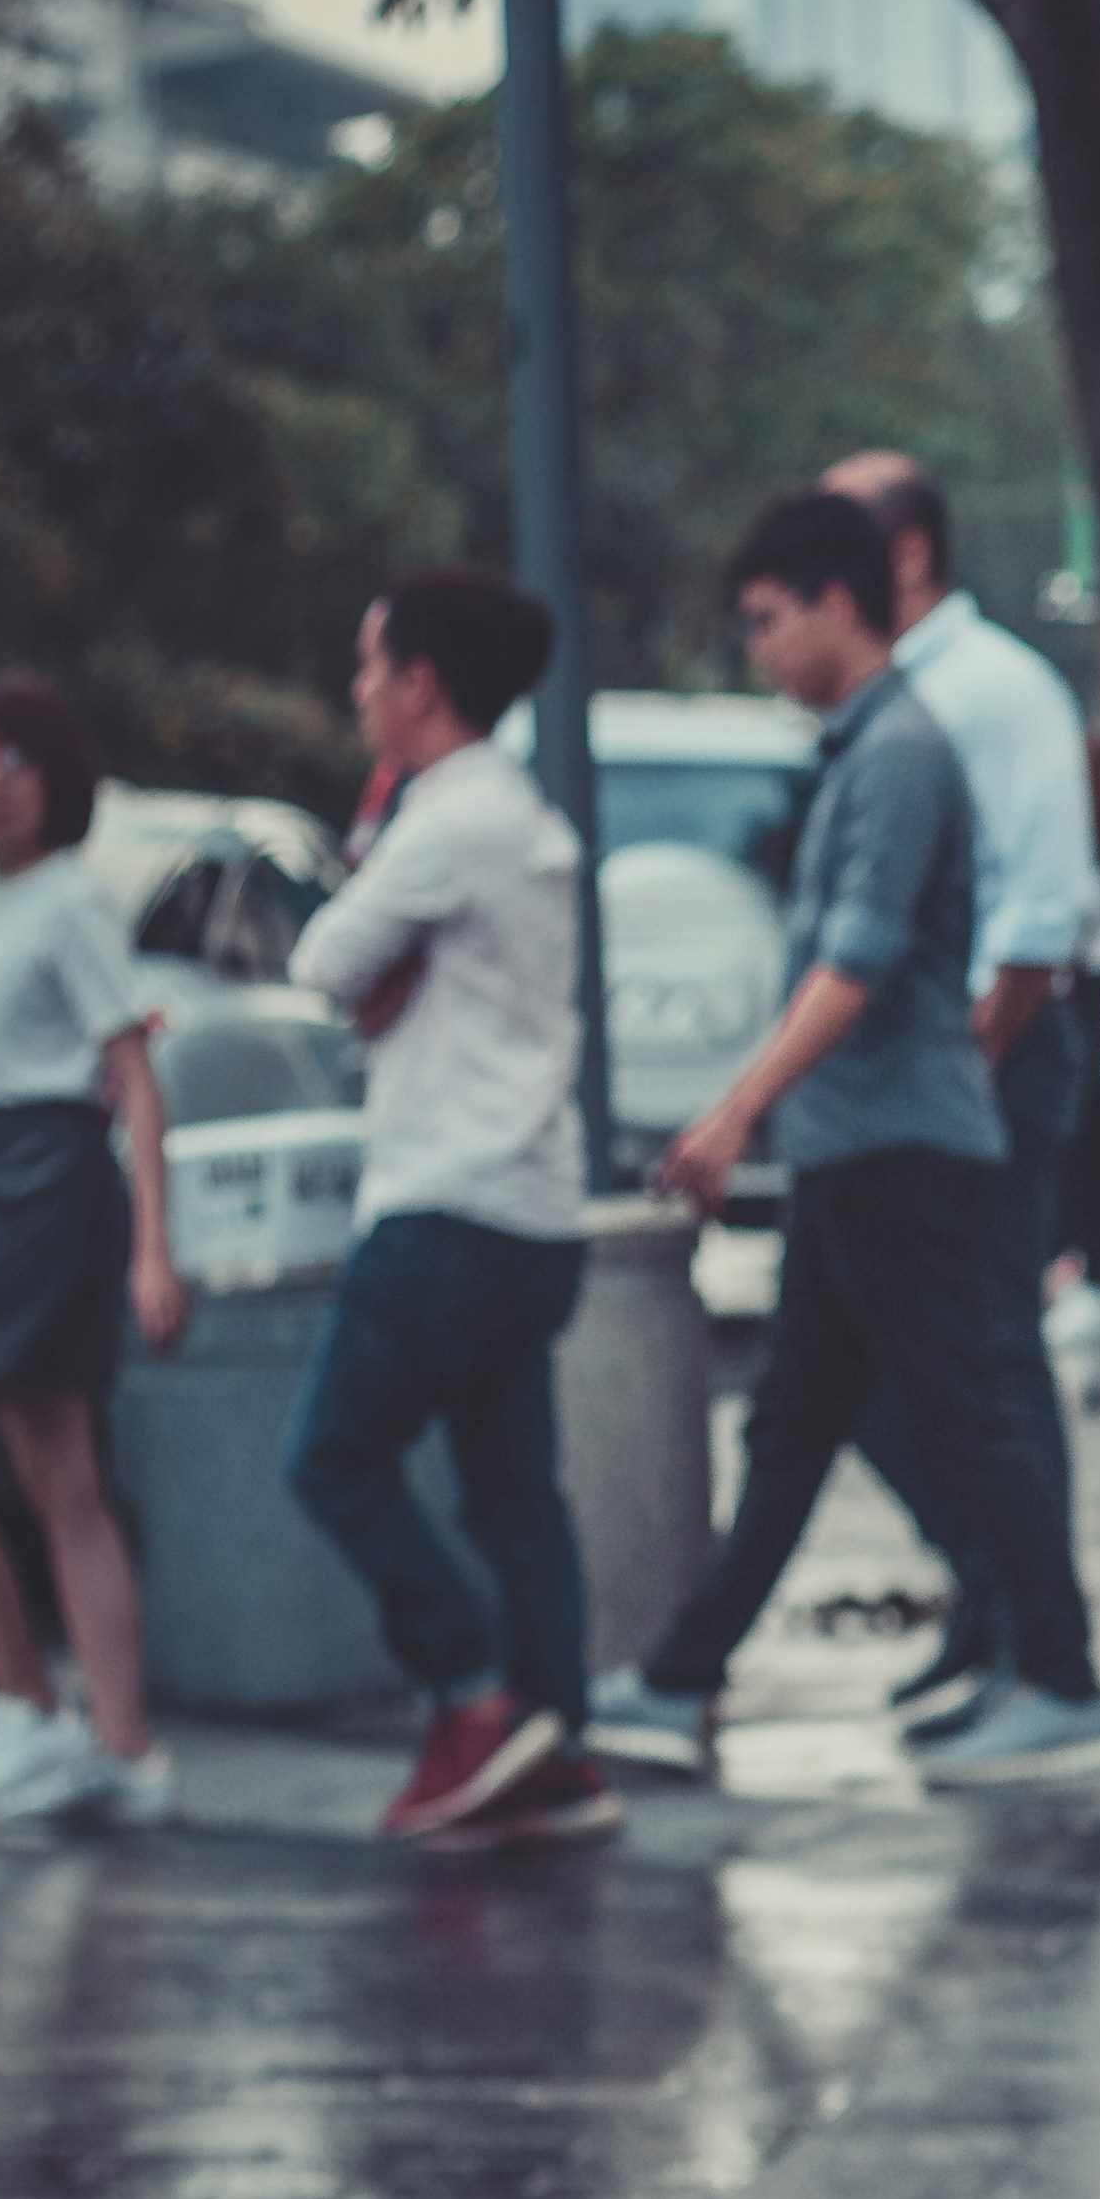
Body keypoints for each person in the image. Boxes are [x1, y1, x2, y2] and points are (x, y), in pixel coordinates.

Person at [585, 489, 1100, 1791]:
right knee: (797, 1421)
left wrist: (734, 1111)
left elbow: (859, 962)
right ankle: (679, 1679)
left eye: (769, 621)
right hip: (857, 1142)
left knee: (969, 1416)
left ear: (838, 603)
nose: (758, 649)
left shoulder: (898, 752)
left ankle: (1059, 1680)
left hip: (899, 1144)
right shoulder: (863, 744)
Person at [280, 569, 619, 1849]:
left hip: (443, 1207)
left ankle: (475, 1699)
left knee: (332, 1455)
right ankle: (556, 1745)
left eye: (371, 667)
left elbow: (324, 963)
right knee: (513, 1493)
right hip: (533, 1214)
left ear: (421, 683)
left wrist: (376, 825)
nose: (359, 690)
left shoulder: (449, 818)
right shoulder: (516, 814)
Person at [816, 450, 1100, 1752]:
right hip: (913, 1084)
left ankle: (1050, 1668)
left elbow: (1040, 922)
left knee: (987, 1362)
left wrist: (958, 1071)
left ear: (910, 558)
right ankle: (992, 1613)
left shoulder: (995, 691)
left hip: (995, 1057)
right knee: (874, 1371)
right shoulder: (885, 698)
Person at [0, 675, 183, 1828]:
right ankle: (126, 1751)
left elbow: (134, 1084)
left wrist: (155, 1251)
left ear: (59, 776)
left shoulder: (70, 905)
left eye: (12, 759)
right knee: (63, 1478)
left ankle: (26, 1708)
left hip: (57, 1187)